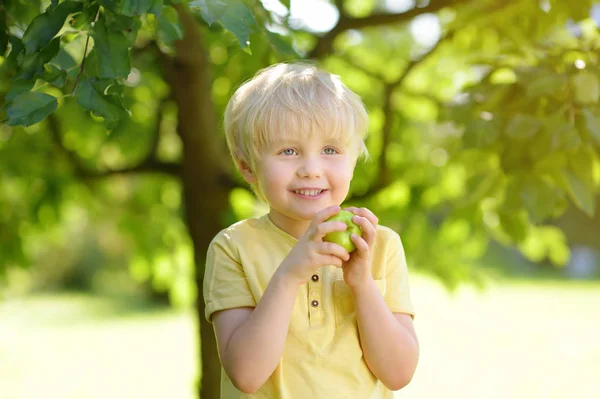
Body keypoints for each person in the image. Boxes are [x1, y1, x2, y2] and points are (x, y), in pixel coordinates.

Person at [204, 61, 419, 398]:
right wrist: (289, 275)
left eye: (330, 150)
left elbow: (398, 373)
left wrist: (362, 283)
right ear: (247, 166)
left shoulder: (380, 245)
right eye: (288, 151)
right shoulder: (234, 247)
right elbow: (246, 374)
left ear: (352, 160)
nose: (311, 169)